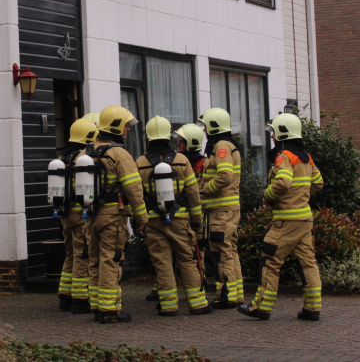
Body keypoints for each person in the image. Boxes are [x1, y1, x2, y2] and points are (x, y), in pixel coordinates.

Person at [238, 113, 324, 321]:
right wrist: (301, 194)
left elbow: (283, 182)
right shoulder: (306, 157)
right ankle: (312, 309)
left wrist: (267, 195)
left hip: (285, 220)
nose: (272, 137)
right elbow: (318, 183)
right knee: (308, 263)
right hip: (304, 219)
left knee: (269, 261)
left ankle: (261, 307)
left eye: (274, 132)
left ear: (282, 133)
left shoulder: (284, 156)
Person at [135, 116, 212, 316]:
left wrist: (138, 221)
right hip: (180, 220)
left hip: (153, 221)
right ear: (168, 135)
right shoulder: (181, 160)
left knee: (162, 262)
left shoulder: (141, 163)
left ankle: (169, 305)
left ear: (148, 136)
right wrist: (197, 223)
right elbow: (193, 195)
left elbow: (136, 195)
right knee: (187, 260)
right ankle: (198, 304)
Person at [82, 105, 148, 324]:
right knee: (111, 260)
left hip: (89, 216)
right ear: (116, 127)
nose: (128, 131)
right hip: (112, 217)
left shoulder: (85, 152)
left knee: (94, 260)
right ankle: (110, 310)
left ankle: (97, 306)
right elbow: (134, 189)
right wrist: (141, 218)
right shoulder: (119, 154)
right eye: (126, 127)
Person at [197, 108, 243, 309]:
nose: (205, 131)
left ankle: (226, 296)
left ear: (214, 127)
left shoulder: (222, 146)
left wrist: (205, 189)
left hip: (221, 212)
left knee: (221, 253)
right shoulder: (228, 145)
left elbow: (224, 176)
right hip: (227, 209)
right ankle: (236, 293)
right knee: (230, 251)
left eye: (207, 126)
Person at [56, 118, 98, 314]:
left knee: (70, 254)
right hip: (79, 212)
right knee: (82, 254)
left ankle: (64, 296)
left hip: (65, 213)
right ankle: (81, 299)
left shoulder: (62, 157)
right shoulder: (82, 158)